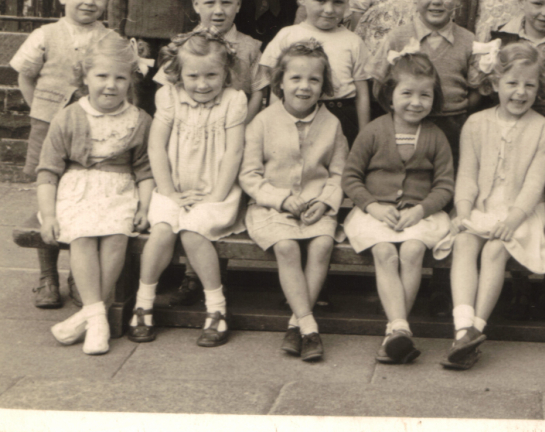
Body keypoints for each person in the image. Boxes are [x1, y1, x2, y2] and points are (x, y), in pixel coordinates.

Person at [436, 43, 545, 370]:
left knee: (495, 249)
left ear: (540, 87)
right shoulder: (476, 124)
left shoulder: (544, 131)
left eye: (530, 85)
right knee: (465, 242)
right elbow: (466, 175)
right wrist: (463, 210)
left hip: (522, 212)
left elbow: (534, 185)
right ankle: (462, 327)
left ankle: (477, 329)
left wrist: (512, 219)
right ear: (495, 84)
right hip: (481, 206)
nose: (521, 92)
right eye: (512, 83)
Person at [128, 30, 247, 348]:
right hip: (175, 186)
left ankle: (217, 309)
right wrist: (168, 192)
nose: (203, 84)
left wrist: (216, 196)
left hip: (216, 190)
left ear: (226, 73)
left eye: (212, 74)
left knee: (194, 231)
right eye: (194, 75)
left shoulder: (234, 100)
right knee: (163, 228)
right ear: (179, 74)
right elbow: (156, 147)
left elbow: (234, 152)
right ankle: (144, 302)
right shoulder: (168, 97)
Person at [37, 33, 153, 355]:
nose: (110, 85)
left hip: (118, 190)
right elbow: (47, 171)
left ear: (131, 80)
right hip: (76, 190)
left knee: (117, 234)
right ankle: (99, 318)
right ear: (85, 76)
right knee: (84, 235)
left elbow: (144, 169)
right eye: (101, 76)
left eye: (120, 77)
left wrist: (145, 205)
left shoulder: (139, 121)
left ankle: (89, 317)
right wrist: (48, 214)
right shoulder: (69, 116)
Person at [11, 0, 114, 309]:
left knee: (83, 198)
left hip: (90, 133)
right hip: (48, 128)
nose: (89, 1)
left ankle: (77, 272)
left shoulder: (109, 38)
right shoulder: (45, 35)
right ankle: (47, 277)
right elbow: (25, 75)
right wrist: (40, 109)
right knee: (49, 199)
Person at [342, 52, 455, 366]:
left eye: (425, 94)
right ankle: (400, 327)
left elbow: (445, 186)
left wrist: (421, 210)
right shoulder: (374, 131)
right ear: (390, 96)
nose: (416, 102)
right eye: (407, 93)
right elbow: (350, 177)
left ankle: (394, 332)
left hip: (420, 214)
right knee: (385, 253)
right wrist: (373, 206)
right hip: (375, 212)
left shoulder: (435, 136)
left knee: (413, 251)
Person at [241, 41, 347, 363]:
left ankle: (295, 324)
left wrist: (327, 202)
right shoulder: (262, 121)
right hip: (270, 206)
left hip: (315, 207)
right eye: (296, 78)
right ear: (281, 82)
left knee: (321, 246)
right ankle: (309, 326)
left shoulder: (332, 124)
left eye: (314, 80)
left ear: (324, 85)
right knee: (286, 246)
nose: (305, 87)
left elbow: (339, 173)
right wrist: (280, 199)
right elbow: (250, 175)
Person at [374, 0, 486, 160]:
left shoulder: (469, 41)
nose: (436, 1)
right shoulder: (397, 38)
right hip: (406, 123)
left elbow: (475, 89)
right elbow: (378, 84)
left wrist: (456, 110)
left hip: (452, 126)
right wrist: (399, 113)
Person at [257, 0, 371, 146]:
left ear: (347, 1)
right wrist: (277, 123)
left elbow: (362, 94)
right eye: (321, 0)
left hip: (343, 115)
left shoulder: (353, 42)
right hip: (296, 113)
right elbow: (273, 85)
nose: (329, 10)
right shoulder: (288, 36)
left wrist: (364, 136)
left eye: (338, 2)